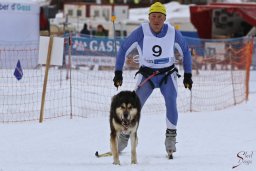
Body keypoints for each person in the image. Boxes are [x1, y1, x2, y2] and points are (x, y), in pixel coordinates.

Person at [112, 2, 193, 159]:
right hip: (147, 75)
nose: (156, 20)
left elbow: (185, 51)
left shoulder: (173, 32)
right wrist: (118, 73)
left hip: (167, 75)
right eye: (153, 17)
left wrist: (188, 75)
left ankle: (171, 138)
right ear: (149, 18)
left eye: (160, 17)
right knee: (133, 105)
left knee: (171, 100)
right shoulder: (141, 32)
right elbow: (123, 49)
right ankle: (124, 136)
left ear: (165, 19)